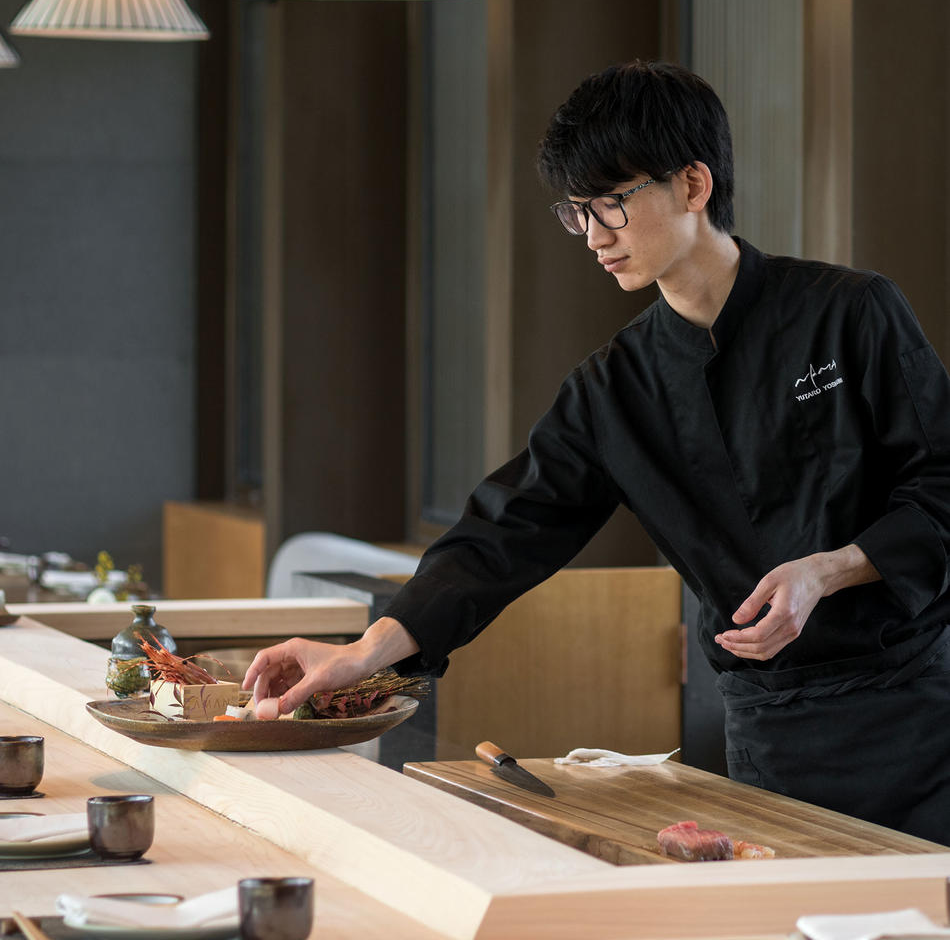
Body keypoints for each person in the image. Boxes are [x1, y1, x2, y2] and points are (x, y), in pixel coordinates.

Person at [244, 60, 950, 842]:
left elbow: (944, 483)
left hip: (915, 715)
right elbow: (501, 533)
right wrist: (363, 654)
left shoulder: (848, 313)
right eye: (576, 211)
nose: (591, 235)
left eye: (610, 204)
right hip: (771, 736)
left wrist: (832, 567)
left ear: (693, 185)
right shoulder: (615, 387)